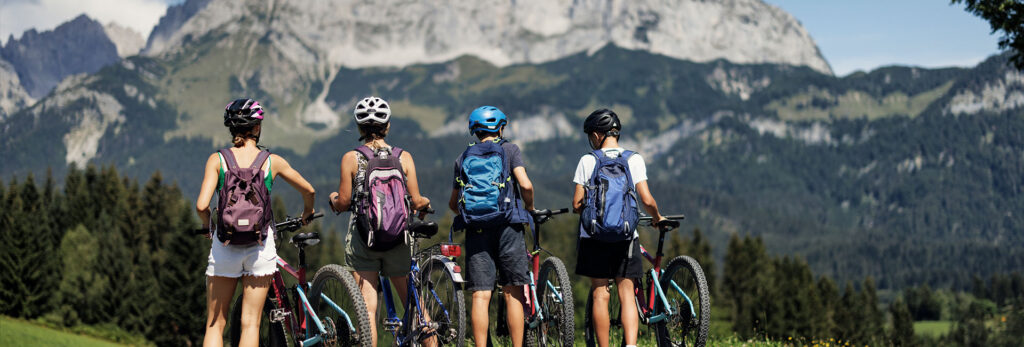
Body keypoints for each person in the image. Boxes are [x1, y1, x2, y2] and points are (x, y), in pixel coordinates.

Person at [195, 98, 316, 347]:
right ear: (257, 128)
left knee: (215, 324)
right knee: (251, 322)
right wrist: (307, 212)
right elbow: (309, 191)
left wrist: (209, 227)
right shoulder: (271, 161)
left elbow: (201, 206)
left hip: (225, 246)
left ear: (231, 128)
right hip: (260, 245)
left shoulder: (217, 160)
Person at [328, 96, 431, 347]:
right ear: (387, 126)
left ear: (360, 128)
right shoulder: (403, 157)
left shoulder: (351, 158)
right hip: (397, 240)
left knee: (368, 312)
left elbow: (343, 202)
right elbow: (416, 201)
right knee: (417, 307)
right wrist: (425, 203)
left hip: (365, 240)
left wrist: (332, 199)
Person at [572, 108, 666, 347]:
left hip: (593, 237)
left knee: (600, 294)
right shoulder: (633, 159)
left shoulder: (588, 160)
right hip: (626, 236)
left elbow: (576, 203)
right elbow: (646, 198)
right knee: (627, 294)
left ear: (596, 135)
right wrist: (657, 217)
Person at [448, 106, 535, 347]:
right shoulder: (510, 150)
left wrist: (472, 214)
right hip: (508, 224)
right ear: (501, 127)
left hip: (476, 229)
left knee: (481, 293)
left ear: (474, 131)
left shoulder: (463, 158)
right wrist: (529, 207)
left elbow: (453, 203)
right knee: (512, 291)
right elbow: (526, 186)